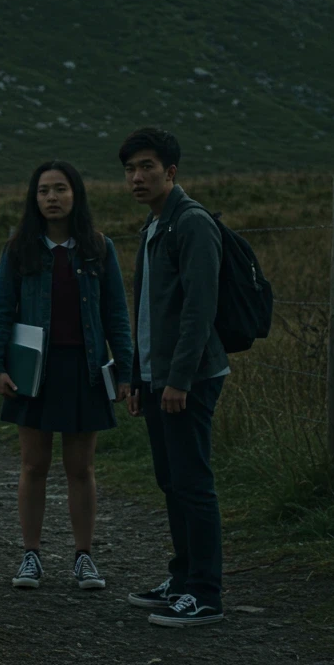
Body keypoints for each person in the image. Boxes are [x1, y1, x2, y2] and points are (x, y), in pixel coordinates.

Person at [0, 161, 133, 593]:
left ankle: (84, 557)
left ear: (76, 195)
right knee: (34, 465)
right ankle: (31, 555)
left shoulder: (99, 248)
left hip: (84, 370)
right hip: (34, 372)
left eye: (60, 189)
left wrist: (124, 370)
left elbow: (116, 315)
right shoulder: (19, 249)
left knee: (81, 468)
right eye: (44, 190)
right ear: (34, 199)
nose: (52, 197)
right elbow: (0, 311)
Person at [117, 127, 229, 628]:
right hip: (158, 376)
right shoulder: (153, 224)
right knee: (171, 481)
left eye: (146, 167)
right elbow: (148, 312)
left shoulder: (192, 223)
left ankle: (205, 593)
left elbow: (199, 310)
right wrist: (141, 379)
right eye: (130, 169)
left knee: (192, 482)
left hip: (190, 378)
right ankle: (182, 578)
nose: (136, 178)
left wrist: (179, 379)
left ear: (171, 172)